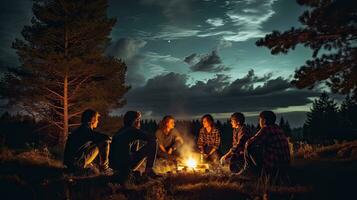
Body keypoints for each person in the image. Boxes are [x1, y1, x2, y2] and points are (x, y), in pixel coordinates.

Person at [238, 111, 291, 178]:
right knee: (256, 147)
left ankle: (249, 170)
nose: (259, 121)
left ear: (264, 120)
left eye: (260, 119)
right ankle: (253, 171)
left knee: (250, 146)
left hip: (274, 165)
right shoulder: (278, 128)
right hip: (285, 164)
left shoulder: (266, 128)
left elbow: (250, 142)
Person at [109, 111, 159, 181]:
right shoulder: (132, 130)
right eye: (139, 120)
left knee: (136, 141)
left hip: (114, 166)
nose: (140, 123)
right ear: (136, 121)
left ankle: (129, 171)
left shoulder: (120, 131)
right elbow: (153, 138)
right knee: (154, 142)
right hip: (126, 165)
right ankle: (149, 170)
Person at [63, 109, 113, 175]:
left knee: (97, 143)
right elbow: (106, 138)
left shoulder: (80, 130)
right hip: (76, 164)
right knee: (104, 142)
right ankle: (104, 169)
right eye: (97, 119)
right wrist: (112, 139)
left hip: (70, 163)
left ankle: (89, 166)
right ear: (93, 120)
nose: (98, 121)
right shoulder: (85, 131)